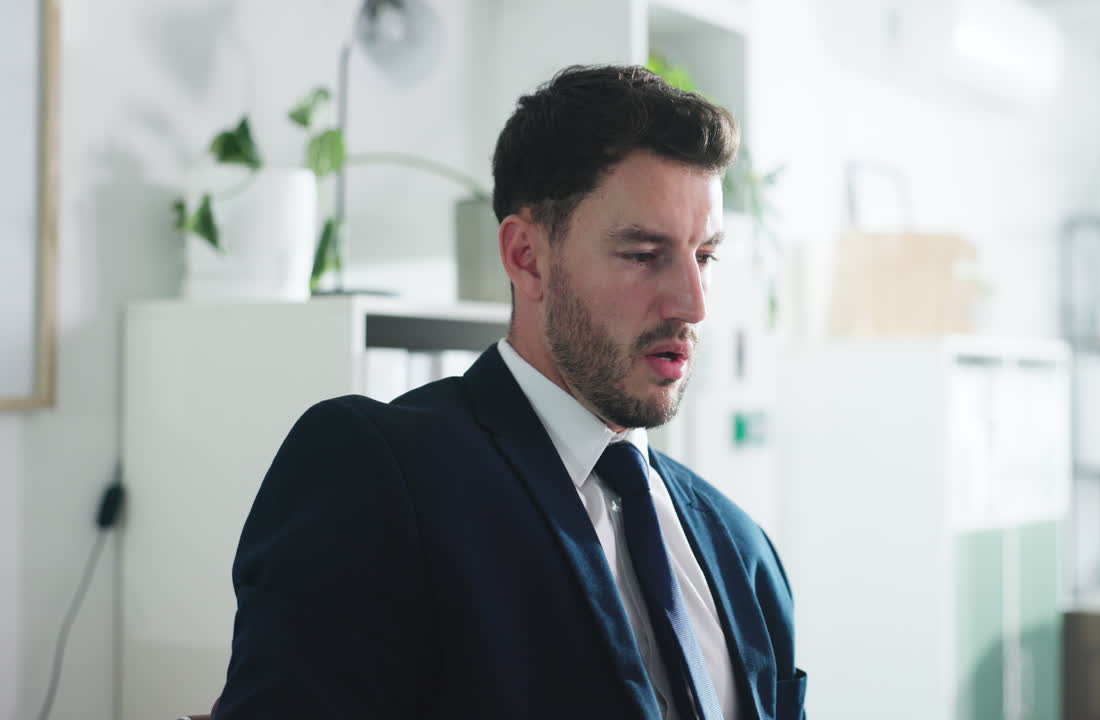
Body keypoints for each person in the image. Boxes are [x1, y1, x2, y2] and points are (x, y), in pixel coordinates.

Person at [214, 64, 805, 720]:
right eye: (644, 254)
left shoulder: (743, 550)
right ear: (527, 257)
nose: (692, 304)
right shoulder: (381, 475)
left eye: (705, 257)